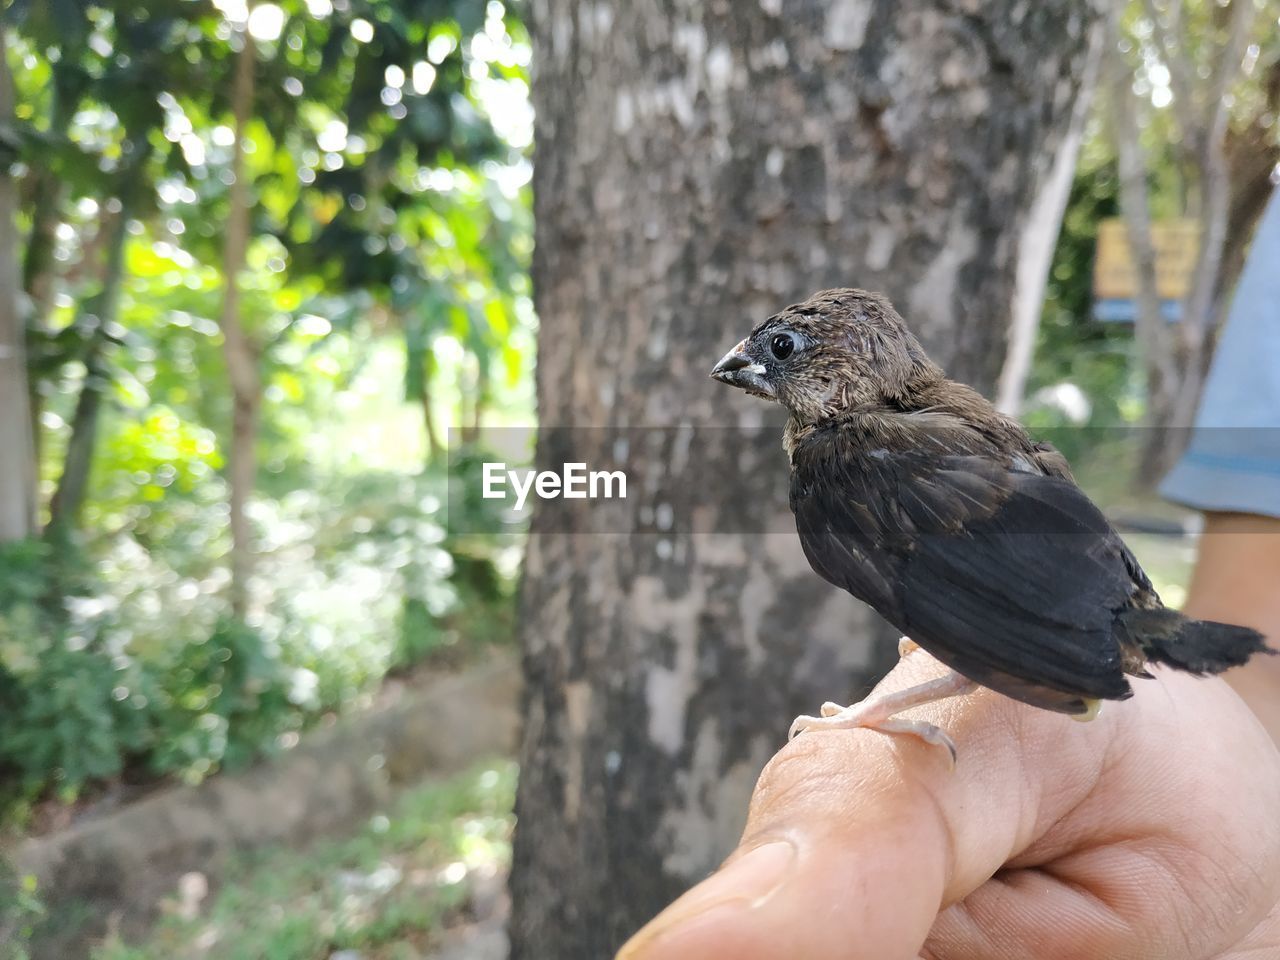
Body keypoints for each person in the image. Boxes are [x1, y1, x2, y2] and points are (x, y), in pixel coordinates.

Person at [618, 191, 1280, 960]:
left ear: (840, 367)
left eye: (787, 351)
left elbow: (960, 596)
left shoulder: (842, 459)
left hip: (1071, 603)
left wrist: (875, 717)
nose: (747, 367)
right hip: (1098, 588)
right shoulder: (934, 421)